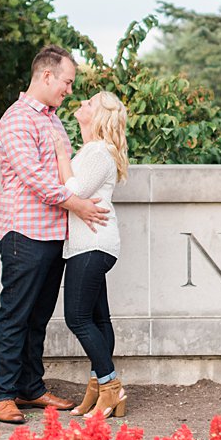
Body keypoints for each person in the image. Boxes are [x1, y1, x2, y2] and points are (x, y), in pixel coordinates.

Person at [0, 45, 110, 425]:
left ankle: (30, 387)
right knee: (16, 314)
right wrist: (76, 203)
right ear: (46, 76)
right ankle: (2, 393)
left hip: (53, 233)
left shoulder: (52, 120)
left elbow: (63, 170)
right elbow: (35, 177)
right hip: (24, 232)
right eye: (67, 82)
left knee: (38, 316)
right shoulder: (17, 120)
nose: (69, 90)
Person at [52, 91, 129, 419]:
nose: (82, 104)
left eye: (90, 103)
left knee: (77, 318)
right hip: (89, 244)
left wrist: (60, 154)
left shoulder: (99, 151)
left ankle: (112, 387)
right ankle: (98, 389)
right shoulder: (92, 150)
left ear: (99, 116)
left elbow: (74, 191)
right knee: (98, 319)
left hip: (94, 244)